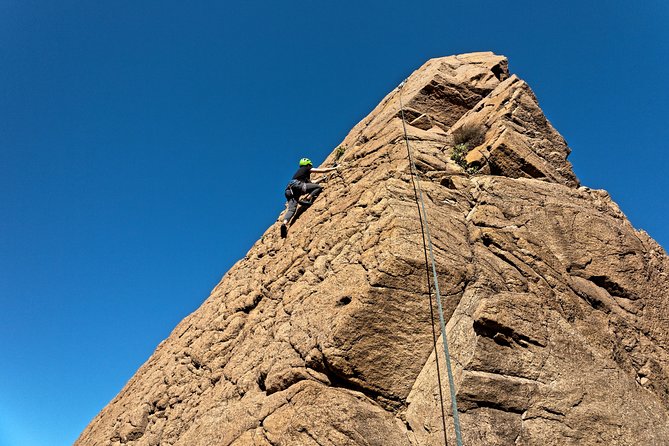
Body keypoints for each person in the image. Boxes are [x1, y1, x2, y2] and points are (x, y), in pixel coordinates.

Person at [280, 157, 338, 238]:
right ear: (308, 164)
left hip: (289, 191)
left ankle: (284, 224)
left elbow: (311, 183)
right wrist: (335, 168)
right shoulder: (306, 168)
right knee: (318, 187)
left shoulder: (301, 174)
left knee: (292, 209)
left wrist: (322, 179)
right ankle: (307, 199)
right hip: (297, 186)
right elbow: (321, 171)